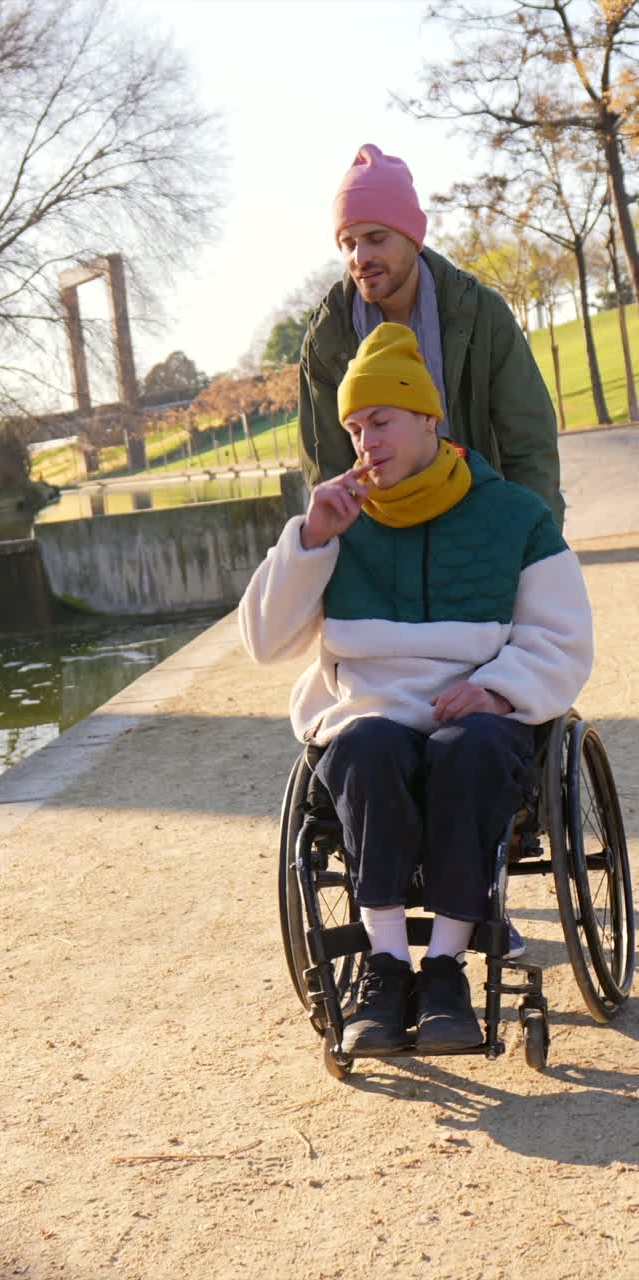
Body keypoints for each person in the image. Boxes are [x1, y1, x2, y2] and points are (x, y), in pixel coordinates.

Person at [239, 323, 592, 1056]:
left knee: (472, 749)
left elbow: (561, 639)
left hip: (482, 711)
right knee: (365, 745)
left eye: (382, 420)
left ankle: (445, 971)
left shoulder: (515, 518)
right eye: (355, 426)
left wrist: (499, 690)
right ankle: (388, 965)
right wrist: (310, 541)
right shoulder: (338, 516)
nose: (366, 440)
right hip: (368, 713)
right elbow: (264, 642)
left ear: (428, 418)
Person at [300, 143, 565, 530]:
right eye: (348, 243)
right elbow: (326, 472)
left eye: (376, 238)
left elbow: (529, 445)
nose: (360, 257)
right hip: (385, 545)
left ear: (412, 237)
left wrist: (535, 548)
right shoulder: (326, 340)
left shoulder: (480, 315)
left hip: (484, 527)